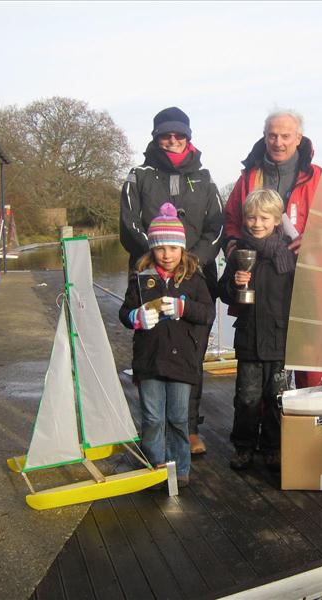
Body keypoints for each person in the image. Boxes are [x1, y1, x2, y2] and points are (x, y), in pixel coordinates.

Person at [120, 106, 223, 455]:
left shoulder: (206, 179)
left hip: (196, 279)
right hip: (150, 277)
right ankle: (154, 429)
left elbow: (216, 228)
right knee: (151, 348)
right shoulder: (139, 176)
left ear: (189, 137)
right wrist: (154, 256)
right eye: (166, 135)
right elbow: (128, 224)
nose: (173, 140)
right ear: (156, 137)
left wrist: (193, 262)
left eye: (179, 135)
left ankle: (189, 428)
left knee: (191, 352)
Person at [222, 109, 322, 389]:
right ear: (265, 137)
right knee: (264, 366)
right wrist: (232, 248)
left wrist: (316, 237)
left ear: (298, 138)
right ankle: (267, 431)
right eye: (272, 136)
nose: (278, 142)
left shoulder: (320, 178)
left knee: (310, 363)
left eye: (285, 136)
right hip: (262, 286)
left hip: (308, 283)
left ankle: (308, 426)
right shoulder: (248, 177)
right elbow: (231, 219)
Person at [119, 203, 216, 487]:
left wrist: (184, 308)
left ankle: (180, 469)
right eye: (161, 248)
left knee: (177, 418)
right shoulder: (140, 279)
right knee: (152, 418)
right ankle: (155, 466)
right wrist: (136, 317)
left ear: (182, 249)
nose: (167, 254)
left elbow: (208, 313)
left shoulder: (195, 279)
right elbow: (124, 313)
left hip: (182, 361)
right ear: (152, 249)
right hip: (149, 360)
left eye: (173, 248)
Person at [218, 189, 296, 472]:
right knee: (247, 398)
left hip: (281, 340)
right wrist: (235, 283)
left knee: (279, 397)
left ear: (277, 220)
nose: (257, 223)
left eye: (264, 218)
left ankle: (274, 447)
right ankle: (244, 447)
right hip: (249, 338)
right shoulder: (238, 253)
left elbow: (304, 295)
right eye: (251, 217)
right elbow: (223, 292)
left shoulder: (290, 254)